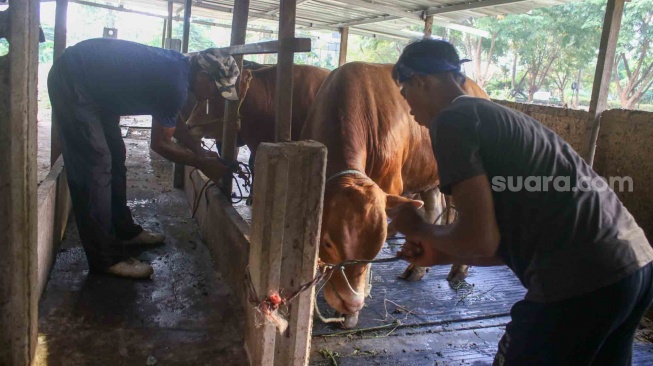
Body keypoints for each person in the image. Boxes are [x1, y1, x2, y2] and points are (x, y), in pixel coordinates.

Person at [388, 39, 653, 365]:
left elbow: (479, 240)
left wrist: (416, 226)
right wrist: (441, 253)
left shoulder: (452, 120)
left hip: (580, 280)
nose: (410, 110)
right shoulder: (492, 117)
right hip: (633, 268)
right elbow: (504, 243)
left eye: (405, 95)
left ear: (420, 81)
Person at [48, 38, 238, 279]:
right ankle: (105, 259)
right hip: (73, 81)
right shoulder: (176, 82)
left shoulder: (180, 72)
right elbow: (159, 144)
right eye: (216, 88)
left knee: (116, 156)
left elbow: (171, 116)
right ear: (203, 75)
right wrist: (201, 163)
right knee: (96, 164)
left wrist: (199, 150)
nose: (213, 96)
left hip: (94, 88)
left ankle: (124, 231)